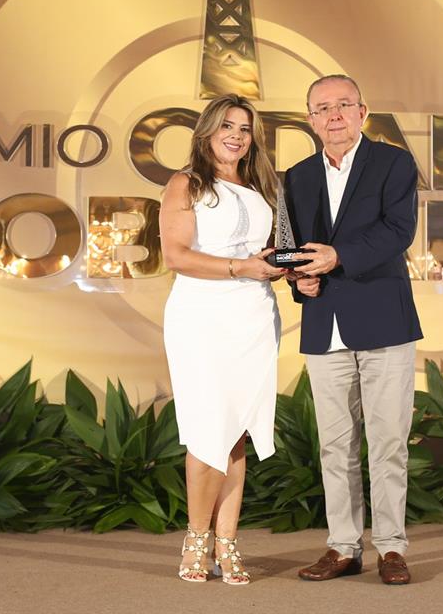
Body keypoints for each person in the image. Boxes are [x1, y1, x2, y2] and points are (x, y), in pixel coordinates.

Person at [284, 75, 423, 585]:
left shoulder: (394, 163)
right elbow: (295, 248)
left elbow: (398, 231)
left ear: (363, 112)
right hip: (325, 324)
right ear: (310, 119)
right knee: (334, 445)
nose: (334, 115)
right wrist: (300, 281)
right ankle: (343, 547)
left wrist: (338, 256)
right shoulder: (295, 177)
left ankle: (390, 547)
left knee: (388, 442)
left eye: (344, 104)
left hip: (384, 320)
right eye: (323, 108)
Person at [160, 94, 285, 585]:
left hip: (254, 316)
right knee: (207, 426)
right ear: (207, 131)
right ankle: (196, 539)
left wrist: (278, 267)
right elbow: (176, 255)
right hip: (201, 315)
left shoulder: (261, 188)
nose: (236, 135)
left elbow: (263, 254)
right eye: (226, 126)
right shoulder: (186, 183)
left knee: (236, 431)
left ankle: (227, 542)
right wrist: (241, 267)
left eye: (245, 128)